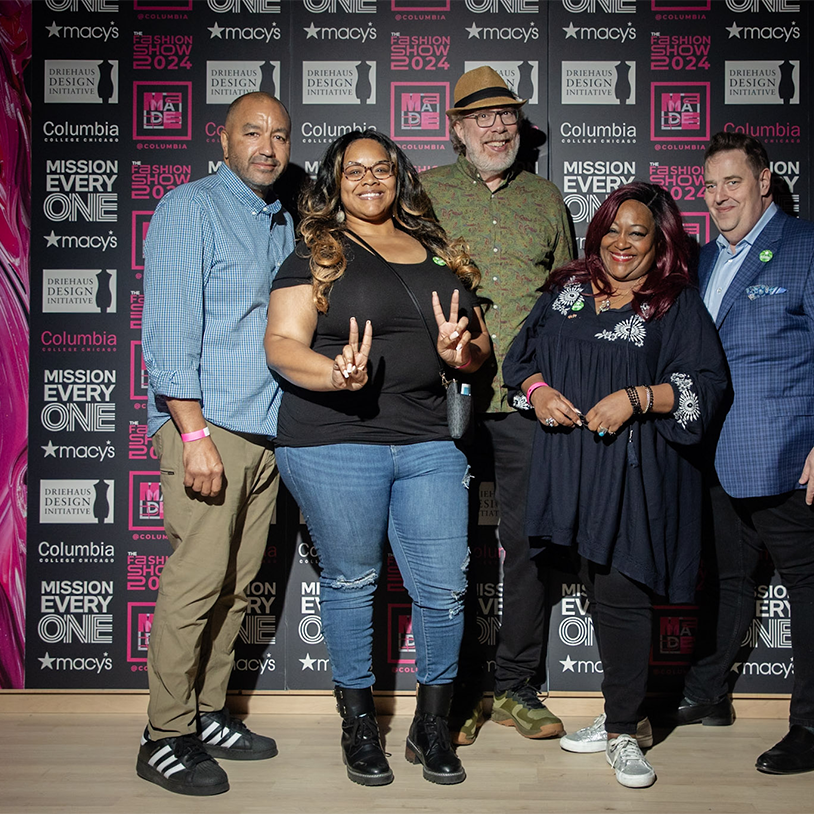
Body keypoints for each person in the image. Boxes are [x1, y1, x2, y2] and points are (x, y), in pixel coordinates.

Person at [264, 130, 492, 787]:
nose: (369, 179)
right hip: (334, 442)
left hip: (428, 443)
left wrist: (462, 354)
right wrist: (335, 373)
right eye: (354, 170)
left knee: (445, 589)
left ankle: (431, 728)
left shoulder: (438, 251)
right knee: (352, 583)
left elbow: (473, 351)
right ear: (336, 181)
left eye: (381, 169)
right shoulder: (320, 252)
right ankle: (359, 727)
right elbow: (281, 344)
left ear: (400, 178)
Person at [503, 183, 728, 788]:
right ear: (596, 231)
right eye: (613, 229)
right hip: (570, 469)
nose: (622, 243)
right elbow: (519, 361)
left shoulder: (672, 303)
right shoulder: (565, 290)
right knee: (600, 594)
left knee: (625, 592)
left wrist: (635, 398)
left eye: (639, 233)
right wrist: (539, 392)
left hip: (634, 471)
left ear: (660, 245)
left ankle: (625, 731)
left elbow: (707, 385)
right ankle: (619, 715)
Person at [675, 131, 814, 774]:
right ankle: (708, 695)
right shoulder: (704, 261)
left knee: (809, 583)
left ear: (764, 181)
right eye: (709, 186)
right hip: (713, 454)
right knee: (729, 581)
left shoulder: (813, 248)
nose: (719, 197)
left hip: (787, 452)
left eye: (732, 182)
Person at [136, 91, 294, 796]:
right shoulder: (190, 208)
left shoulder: (283, 222)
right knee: (196, 584)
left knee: (236, 590)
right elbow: (169, 333)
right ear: (222, 139)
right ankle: (164, 735)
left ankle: (207, 712)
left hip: (265, 434)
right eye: (252, 132)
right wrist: (192, 433)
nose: (267, 146)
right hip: (210, 428)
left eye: (280, 135)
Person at [421, 65, 576, 745]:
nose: (497, 126)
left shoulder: (546, 200)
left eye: (507, 115)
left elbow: (571, 303)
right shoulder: (421, 195)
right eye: (480, 117)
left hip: (523, 403)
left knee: (529, 547)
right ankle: (452, 697)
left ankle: (515, 687)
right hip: (438, 400)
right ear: (456, 129)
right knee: (441, 550)